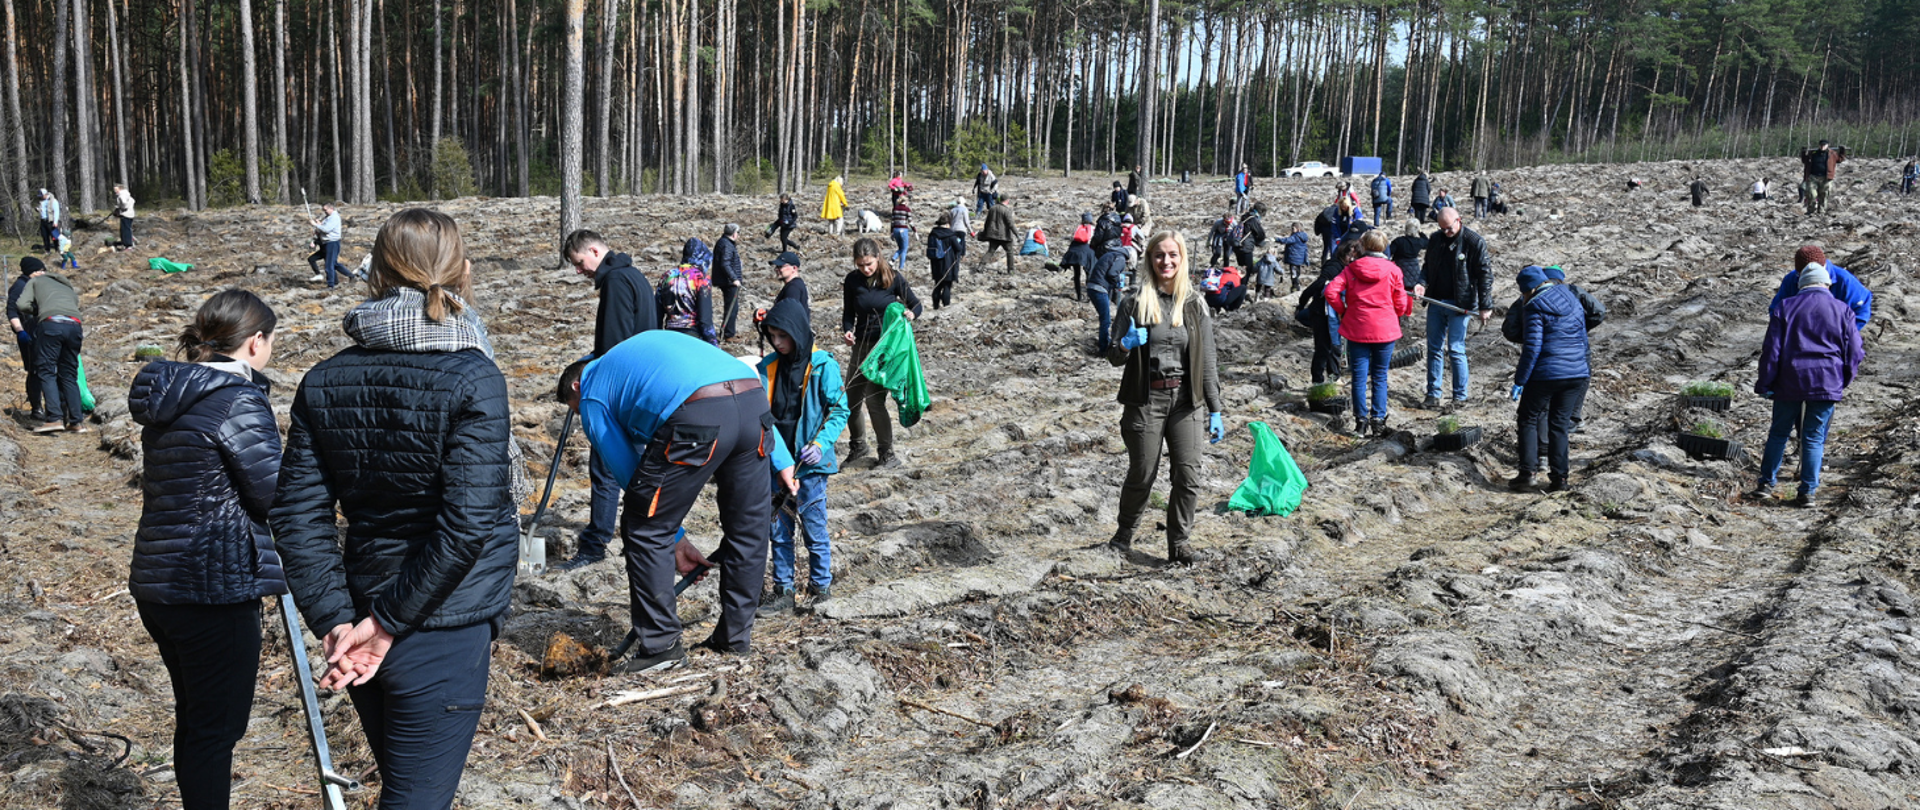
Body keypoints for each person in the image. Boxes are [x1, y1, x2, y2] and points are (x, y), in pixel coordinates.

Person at [270, 209, 519, 809]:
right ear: (460, 272)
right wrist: (374, 627)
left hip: (362, 618)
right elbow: (467, 526)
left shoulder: (324, 379)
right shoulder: (473, 375)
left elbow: (297, 516)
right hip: (437, 625)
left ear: (376, 271)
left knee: (407, 787)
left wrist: (336, 617)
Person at [127, 289, 284, 810]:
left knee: (196, 720)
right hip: (214, 584)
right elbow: (271, 493)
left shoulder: (172, 393)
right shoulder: (237, 399)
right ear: (256, 342)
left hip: (160, 580)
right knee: (217, 729)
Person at [557, 330, 796, 670]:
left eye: (575, 411)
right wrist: (781, 459)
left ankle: (660, 648)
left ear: (576, 387)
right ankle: (734, 639)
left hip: (699, 410)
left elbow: (629, 474)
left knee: (643, 528)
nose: (582, 418)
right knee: (749, 529)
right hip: (753, 400)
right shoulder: (633, 362)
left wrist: (674, 537)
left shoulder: (593, 393)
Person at [1106, 231, 1224, 566]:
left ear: (1182, 258)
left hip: (1187, 401)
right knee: (1142, 473)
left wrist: (1215, 409)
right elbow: (1113, 356)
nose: (1166, 261)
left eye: (1173, 255)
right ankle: (1123, 535)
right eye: (1159, 255)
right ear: (1150, 259)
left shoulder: (1194, 304)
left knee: (1188, 475)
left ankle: (1179, 544)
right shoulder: (1134, 301)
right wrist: (1126, 344)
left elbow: (1209, 359)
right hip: (1146, 401)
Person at [558, 229, 657, 571]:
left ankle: (595, 544)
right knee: (636, 467)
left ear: (595, 251)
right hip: (640, 386)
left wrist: (594, 380)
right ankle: (641, 537)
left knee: (605, 469)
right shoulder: (635, 276)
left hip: (620, 392)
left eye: (579, 262)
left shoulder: (616, 282)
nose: (579, 271)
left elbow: (615, 345)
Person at [753, 299, 849, 615]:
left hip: (810, 465)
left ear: (797, 331)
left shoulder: (823, 366)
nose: (778, 343)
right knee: (779, 530)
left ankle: (820, 587)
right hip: (777, 462)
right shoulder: (766, 367)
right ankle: (784, 590)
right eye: (772, 336)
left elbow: (839, 409)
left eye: (783, 336)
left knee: (813, 526)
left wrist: (820, 444)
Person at [1751, 263, 1863, 508]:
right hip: (1826, 381)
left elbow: (1771, 351)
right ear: (1826, 284)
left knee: (1779, 433)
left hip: (1789, 381)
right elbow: (1854, 351)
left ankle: (1765, 485)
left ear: (1801, 285)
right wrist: (1843, 379)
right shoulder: (1843, 310)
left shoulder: (1785, 307)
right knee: (1813, 437)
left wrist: (1765, 383)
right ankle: (1807, 493)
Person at [1507, 265, 1591, 493]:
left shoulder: (1534, 307)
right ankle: (1560, 479)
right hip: (1576, 372)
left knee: (1528, 418)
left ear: (1530, 289)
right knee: (1560, 426)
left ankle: (1528, 474)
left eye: (1523, 293)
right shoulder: (1571, 298)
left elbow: (1532, 348)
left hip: (1546, 374)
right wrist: (1583, 369)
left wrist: (1520, 380)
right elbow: (1583, 338)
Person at [841, 237, 921, 467]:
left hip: (883, 350)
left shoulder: (893, 279)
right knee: (851, 400)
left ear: (878, 257)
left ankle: (887, 454)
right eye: (860, 265)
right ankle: (858, 447)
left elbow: (916, 305)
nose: (865, 269)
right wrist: (847, 330)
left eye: (869, 264)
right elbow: (848, 312)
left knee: (874, 402)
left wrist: (911, 314)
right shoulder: (852, 281)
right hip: (860, 347)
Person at [1325, 230, 1411, 437]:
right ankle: (1378, 420)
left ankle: (1360, 422)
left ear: (1363, 246)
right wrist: (1395, 313)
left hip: (1357, 328)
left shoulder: (1352, 268)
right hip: (1385, 329)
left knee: (1359, 377)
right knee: (1380, 375)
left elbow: (1330, 292)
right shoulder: (1393, 270)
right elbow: (1400, 301)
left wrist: (1344, 310)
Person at [1413, 207, 1493, 410]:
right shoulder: (1436, 239)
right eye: (1443, 229)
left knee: (1456, 349)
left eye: (1449, 228)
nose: (1447, 232)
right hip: (1436, 301)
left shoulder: (1474, 242)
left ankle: (1459, 396)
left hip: (1461, 304)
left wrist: (1486, 306)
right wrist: (1421, 282)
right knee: (1434, 348)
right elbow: (1427, 267)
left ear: (1459, 220)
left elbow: (1485, 276)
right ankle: (1433, 394)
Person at [14, 259, 85, 433]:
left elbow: (21, 305)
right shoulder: (65, 284)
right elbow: (74, 303)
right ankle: (76, 422)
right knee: (69, 374)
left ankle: (54, 418)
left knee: (46, 371)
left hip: (51, 325)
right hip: (75, 326)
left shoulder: (34, 281)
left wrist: (39, 312)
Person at [658, 238, 719, 346]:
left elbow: (657, 313)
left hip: (669, 335)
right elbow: (705, 319)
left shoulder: (667, 276)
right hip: (692, 335)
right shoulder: (701, 278)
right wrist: (713, 343)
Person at [6, 258, 45, 422]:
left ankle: (49, 406)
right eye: (41, 270)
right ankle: (36, 407)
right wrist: (20, 331)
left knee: (43, 369)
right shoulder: (20, 286)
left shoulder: (34, 284)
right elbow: (11, 310)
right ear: (33, 271)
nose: (44, 273)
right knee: (35, 371)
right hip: (28, 334)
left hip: (40, 331)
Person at [1087, 247, 1128, 354]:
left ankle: (1105, 342)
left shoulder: (1110, 255)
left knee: (1104, 318)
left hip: (1092, 287)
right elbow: (1112, 273)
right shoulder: (1121, 258)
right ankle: (1104, 349)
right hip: (1099, 289)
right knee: (1106, 320)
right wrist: (1118, 281)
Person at [925, 211, 967, 309]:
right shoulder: (951, 235)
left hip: (935, 263)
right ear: (948, 224)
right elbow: (958, 248)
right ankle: (946, 307)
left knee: (937, 285)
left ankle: (935, 306)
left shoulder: (932, 234)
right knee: (947, 286)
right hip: (948, 263)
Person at [713, 224, 745, 340]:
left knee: (730, 307)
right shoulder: (727, 245)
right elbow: (725, 264)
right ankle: (728, 334)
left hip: (726, 280)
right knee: (732, 307)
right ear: (734, 233)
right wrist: (734, 279)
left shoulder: (724, 243)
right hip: (728, 282)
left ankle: (727, 331)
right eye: (738, 232)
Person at [308, 202, 347, 287]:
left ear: (331, 208)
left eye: (325, 210)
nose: (324, 212)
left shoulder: (334, 217)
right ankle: (349, 277)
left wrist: (316, 225)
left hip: (332, 242)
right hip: (326, 243)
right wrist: (319, 224)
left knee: (329, 265)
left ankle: (331, 285)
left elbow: (326, 229)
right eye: (323, 210)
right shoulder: (328, 217)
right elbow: (324, 227)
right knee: (333, 264)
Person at [978, 193, 1018, 275]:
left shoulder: (992, 208)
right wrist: (1017, 234)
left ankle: (981, 266)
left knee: (990, 251)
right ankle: (1011, 270)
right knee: (1010, 252)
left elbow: (987, 222)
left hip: (993, 235)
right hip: (1005, 236)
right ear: (1007, 200)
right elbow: (1010, 224)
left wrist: (985, 233)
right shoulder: (1007, 210)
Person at [1800, 139, 1843, 214]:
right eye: (1821, 145)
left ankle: (1821, 212)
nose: (1822, 146)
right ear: (1819, 145)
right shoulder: (1813, 153)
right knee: (1811, 194)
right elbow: (1805, 161)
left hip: (1826, 178)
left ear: (1827, 145)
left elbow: (1840, 159)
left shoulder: (1832, 153)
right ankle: (1811, 210)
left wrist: (1842, 151)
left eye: (1824, 145)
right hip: (1813, 177)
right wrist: (1803, 152)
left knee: (1824, 195)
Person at [1061, 213, 1097, 302]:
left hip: (1075, 251)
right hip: (1088, 251)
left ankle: (1079, 296)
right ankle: (1089, 297)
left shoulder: (1078, 228)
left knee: (1077, 275)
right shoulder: (1093, 229)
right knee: (1089, 273)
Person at [1388, 221, 1428, 288]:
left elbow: (1389, 253)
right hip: (1413, 270)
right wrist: (1420, 232)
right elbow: (1427, 242)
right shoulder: (1419, 241)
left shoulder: (1398, 241)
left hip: (1399, 267)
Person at [1277, 222, 1311, 292]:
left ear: (1298, 229)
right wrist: (1305, 259)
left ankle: (1295, 287)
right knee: (1296, 272)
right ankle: (1296, 285)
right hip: (1299, 259)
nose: (1292, 230)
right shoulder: (1303, 237)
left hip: (1293, 259)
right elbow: (1305, 249)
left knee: (1293, 273)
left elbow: (1286, 240)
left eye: (1293, 228)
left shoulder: (1295, 237)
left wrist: (1277, 239)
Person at [1234, 204, 1266, 271]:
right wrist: (1259, 241)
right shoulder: (1253, 219)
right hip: (1246, 247)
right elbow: (1261, 234)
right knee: (1248, 269)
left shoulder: (1245, 216)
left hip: (1237, 245)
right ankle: (1244, 281)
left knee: (1241, 268)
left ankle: (1240, 281)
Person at [113, 183, 137, 250]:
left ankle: (128, 245)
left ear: (120, 189)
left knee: (125, 230)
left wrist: (119, 209)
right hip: (130, 214)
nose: (115, 191)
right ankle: (130, 240)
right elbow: (132, 201)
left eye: (116, 189)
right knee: (127, 228)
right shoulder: (127, 194)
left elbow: (124, 204)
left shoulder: (122, 195)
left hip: (125, 215)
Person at [35, 188, 60, 253]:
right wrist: (38, 209)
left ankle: (57, 249)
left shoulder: (53, 201)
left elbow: (56, 211)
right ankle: (47, 250)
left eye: (41, 195)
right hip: (43, 220)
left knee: (54, 236)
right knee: (45, 236)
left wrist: (55, 222)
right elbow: (42, 209)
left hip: (51, 221)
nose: (41, 197)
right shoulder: (41, 201)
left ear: (45, 194)